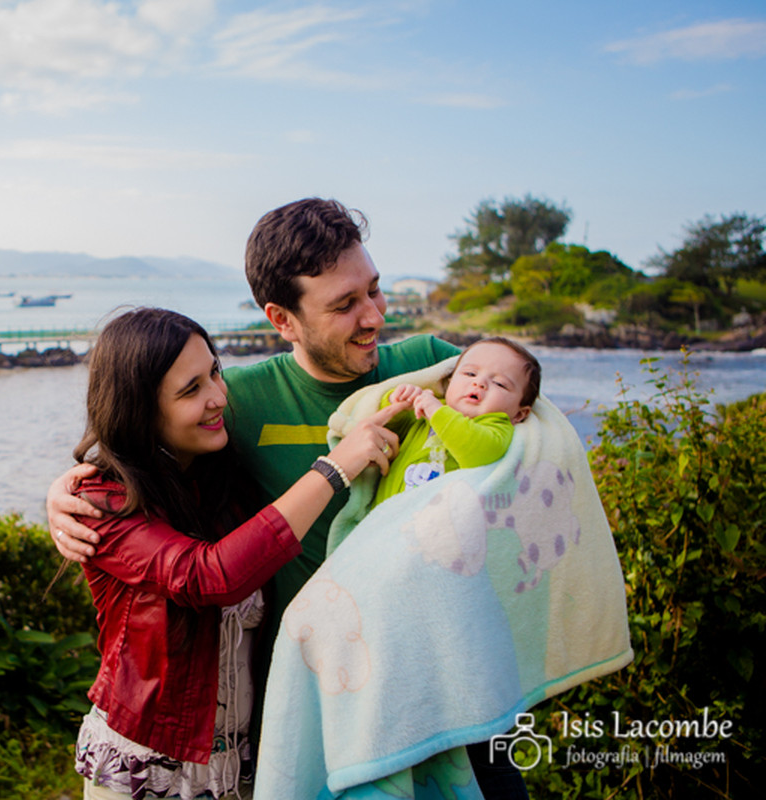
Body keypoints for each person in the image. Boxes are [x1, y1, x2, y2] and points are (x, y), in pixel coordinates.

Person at [49, 198, 526, 798]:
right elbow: (140, 444)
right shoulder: (238, 404)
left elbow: (526, 420)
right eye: (345, 305)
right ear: (282, 318)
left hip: (448, 676)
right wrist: (67, 488)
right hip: (305, 703)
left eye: (375, 291)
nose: (375, 316)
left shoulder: (435, 369)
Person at [66, 306, 402, 800]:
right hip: (145, 772)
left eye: (215, 373)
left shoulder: (225, 480)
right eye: (191, 390)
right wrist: (335, 468)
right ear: (140, 410)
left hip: (238, 767)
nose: (218, 397)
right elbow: (208, 577)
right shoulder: (105, 502)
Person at [374, 337, 541, 504]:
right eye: (470, 374)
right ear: (450, 381)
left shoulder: (496, 425)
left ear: (519, 414)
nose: (479, 383)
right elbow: (388, 428)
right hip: (385, 517)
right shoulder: (427, 407)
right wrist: (398, 401)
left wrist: (436, 412)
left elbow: (480, 452)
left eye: (499, 384)